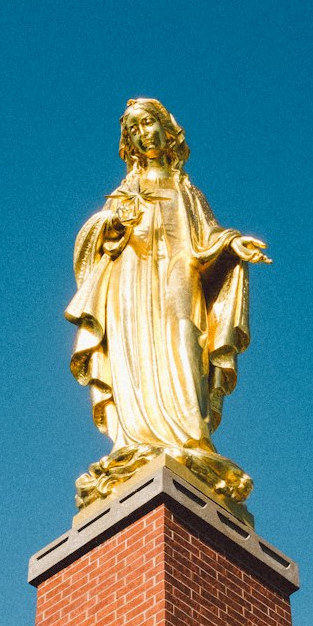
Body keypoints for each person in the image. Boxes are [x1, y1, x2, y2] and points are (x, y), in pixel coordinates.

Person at [66, 98, 269, 521]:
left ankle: (190, 440)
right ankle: (135, 444)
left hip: (178, 280)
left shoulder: (185, 190)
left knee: (182, 343)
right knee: (134, 358)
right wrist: (111, 224)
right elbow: (91, 242)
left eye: (150, 124)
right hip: (132, 286)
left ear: (168, 131)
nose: (144, 134)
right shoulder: (125, 192)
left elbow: (206, 238)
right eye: (135, 129)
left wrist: (232, 245)